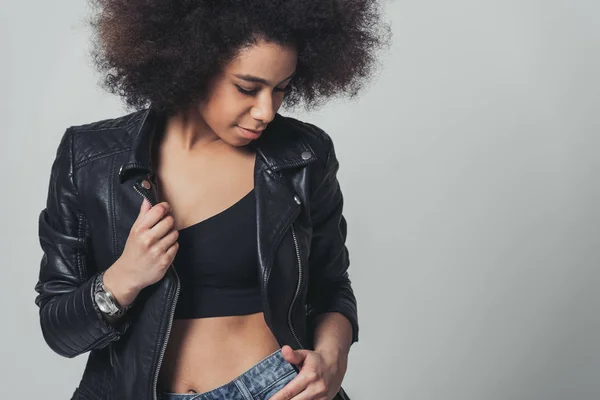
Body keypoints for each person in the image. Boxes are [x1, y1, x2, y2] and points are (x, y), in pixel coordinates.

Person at [34, 1, 389, 399]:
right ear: (194, 66)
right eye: (247, 88)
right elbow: (59, 331)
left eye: (281, 89)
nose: (266, 111)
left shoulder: (304, 156)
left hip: (278, 388)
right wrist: (124, 278)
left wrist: (331, 358)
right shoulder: (89, 158)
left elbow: (331, 286)